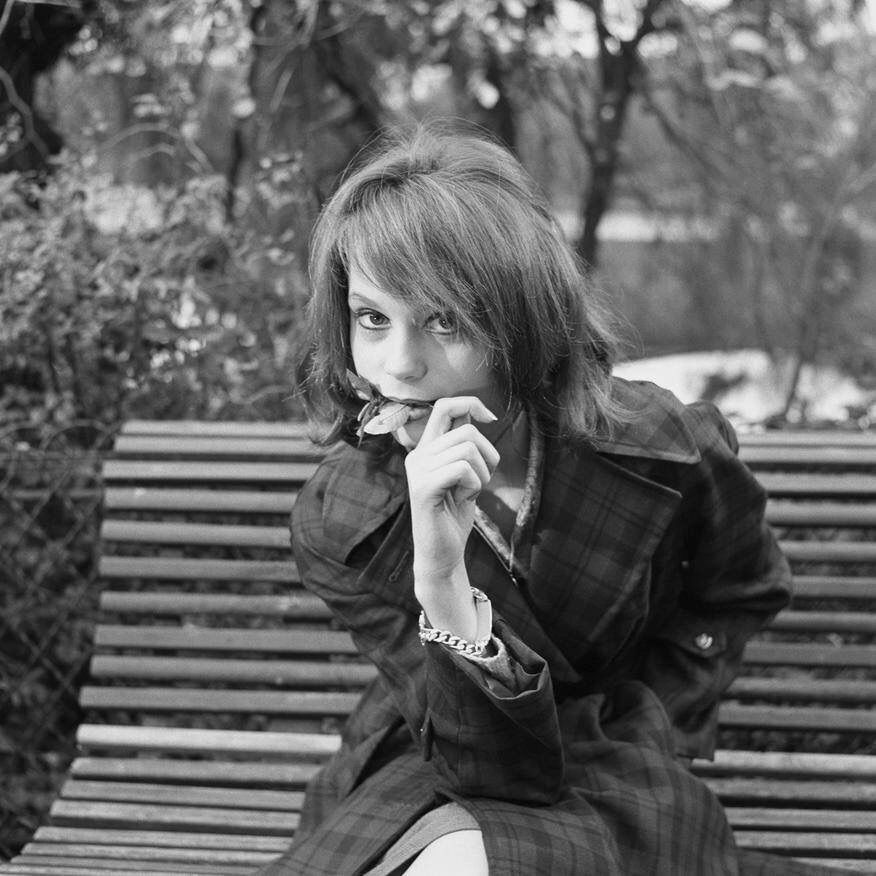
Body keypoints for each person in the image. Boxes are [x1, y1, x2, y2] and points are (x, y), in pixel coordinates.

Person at [258, 123, 808, 875]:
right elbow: (489, 769)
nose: (401, 364)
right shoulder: (342, 519)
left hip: (619, 764)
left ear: (522, 319)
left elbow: (742, 587)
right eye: (372, 318)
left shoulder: (662, 445)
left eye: (444, 319)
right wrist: (441, 582)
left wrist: (661, 720)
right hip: (433, 756)